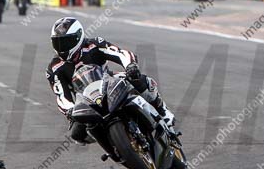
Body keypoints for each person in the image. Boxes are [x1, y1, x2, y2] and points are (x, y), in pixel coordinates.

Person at [46, 17, 178, 153]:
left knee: (139, 79)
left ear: (78, 37)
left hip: (110, 81)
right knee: (76, 133)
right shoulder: (54, 68)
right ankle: (113, 148)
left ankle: (163, 111)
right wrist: (69, 109)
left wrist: (130, 65)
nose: (62, 47)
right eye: (58, 43)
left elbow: (120, 53)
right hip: (85, 100)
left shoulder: (94, 44)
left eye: (66, 42)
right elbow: (61, 95)